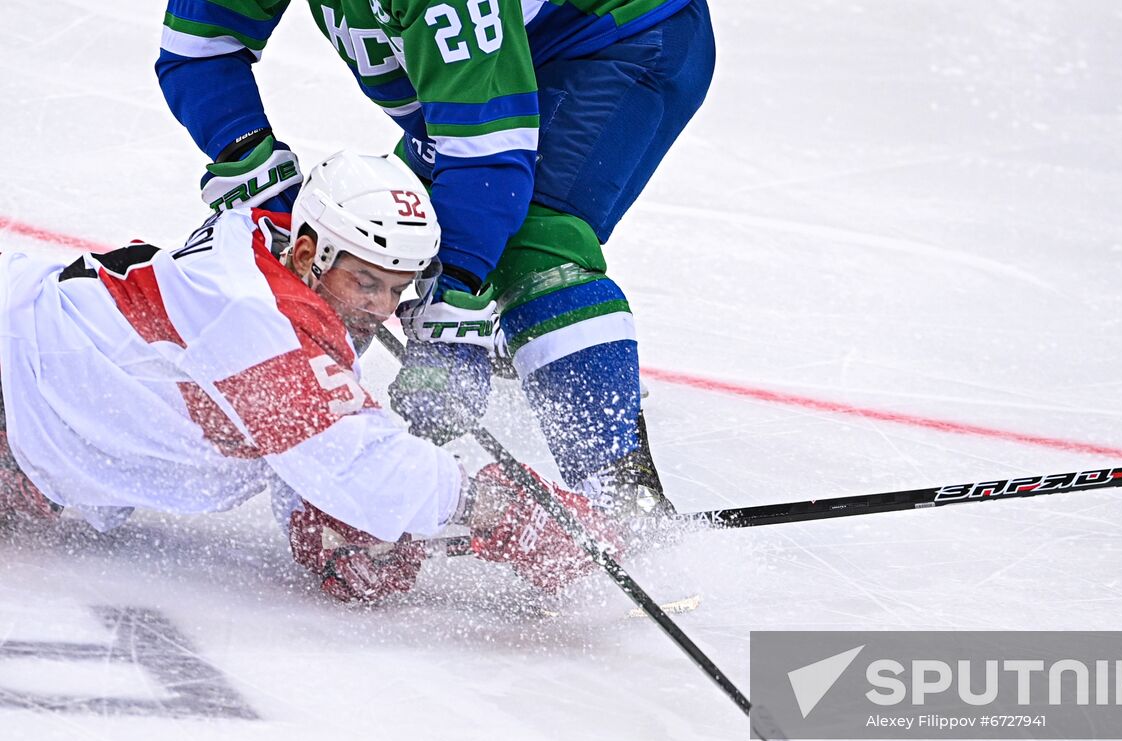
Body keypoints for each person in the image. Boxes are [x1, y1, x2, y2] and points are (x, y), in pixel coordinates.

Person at [155, 0, 717, 517]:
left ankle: (622, 491)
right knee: (391, 228)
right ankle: (322, 422)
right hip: (499, 52)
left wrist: (452, 306)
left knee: (531, 240)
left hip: (614, 35)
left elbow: (489, 167)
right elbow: (200, 48)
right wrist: (251, 166)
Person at [0, 151, 621, 604]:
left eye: (398, 290)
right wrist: (500, 509)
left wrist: (346, 521)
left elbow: (311, 449)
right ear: (308, 254)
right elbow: (354, 462)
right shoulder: (257, 316)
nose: (381, 311)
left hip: (32, 411)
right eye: (368, 283)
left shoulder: (283, 265)